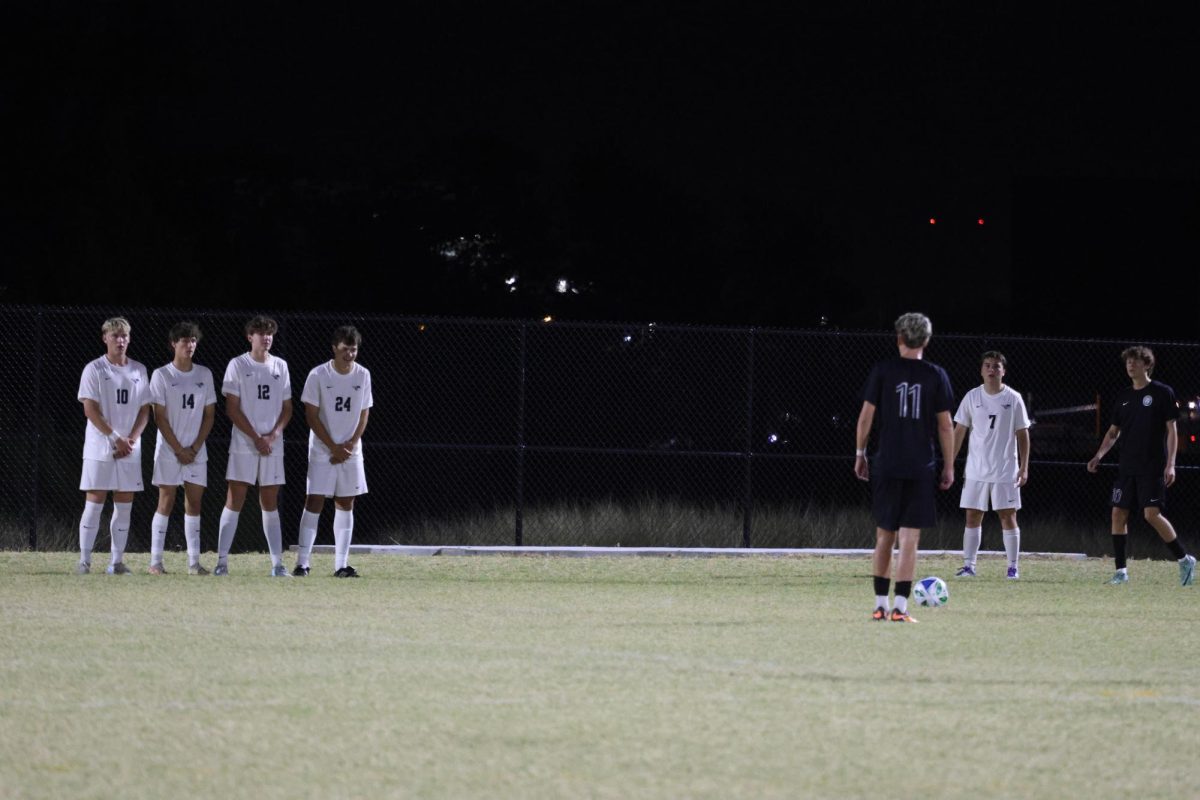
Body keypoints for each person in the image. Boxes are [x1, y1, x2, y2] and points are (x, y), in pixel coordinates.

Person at [854, 312, 955, 623]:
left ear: (899, 338)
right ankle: (900, 607)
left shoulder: (883, 370)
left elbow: (866, 417)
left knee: (885, 535)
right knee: (910, 539)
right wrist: (949, 465)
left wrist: (860, 452)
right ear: (926, 340)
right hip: (920, 465)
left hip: (887, 462)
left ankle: (879, 604)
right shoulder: (936, 374)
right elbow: (946, 426)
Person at [1087, 346, 1195, 586]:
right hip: (1127, 467)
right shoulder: (1124, 397)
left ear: (1147, 365)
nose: (1130, 365)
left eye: (1135, 361)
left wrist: (1171, 464)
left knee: (1151, 515)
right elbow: (1113, 431)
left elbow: (1172, 430)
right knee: (1118, 513)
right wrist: (1099, 455)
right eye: (1128, 362)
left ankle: (1184, 559)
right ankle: (1121, 572)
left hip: (1152, 466)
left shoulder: (1162, 392)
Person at [294, 326, 374, 577]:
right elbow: (311, 415)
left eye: (354, 349)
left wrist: (350, 444)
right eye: (345, 349)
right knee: (314, 501)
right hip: (322, 450)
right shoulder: (318, 374)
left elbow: (364, 413)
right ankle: (302, 563)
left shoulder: (363, 375)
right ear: (334, 349)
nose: (349, 354)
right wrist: (332, 446)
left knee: (346, 502)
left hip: (351, 451)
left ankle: (341, 565)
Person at [216, 316, 293, 577]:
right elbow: (231, 408)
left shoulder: (280, 366)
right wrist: (255, 437)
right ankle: (222, 562)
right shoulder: (237, 364)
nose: (266, 337)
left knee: (269, 502)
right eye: (261, 333)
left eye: (270, 333)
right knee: (234, 499)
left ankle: (277, 564)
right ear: (250, 337)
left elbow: (287, 408)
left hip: (272, 445)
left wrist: (272, 436)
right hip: (244, 444)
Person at [76, 317, 151, 574]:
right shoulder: (94, 369)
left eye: (124, 336)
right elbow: (90, 409)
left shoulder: (140, 370)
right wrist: (115, 438)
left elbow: (145, 410)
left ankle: (116, 562)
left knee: (124, 503)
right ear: (104, 338)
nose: (120, 340)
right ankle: (84, 562)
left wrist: (132, 438)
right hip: (100, 446)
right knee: (95, 502)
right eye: (115, 336)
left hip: (129, 448)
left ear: (129, 339)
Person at [951, 352, 1031, 579]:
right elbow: (959, 432)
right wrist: (950, 463)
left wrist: (1024, 467)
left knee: (1007, 515)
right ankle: (969, 566)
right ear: (981, 370)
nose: (991, 370)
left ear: (1003, 371)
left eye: (996, 366)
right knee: (972, 516)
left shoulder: (1013, 398)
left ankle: (1013, 567)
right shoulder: (972, 397)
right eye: (987, 366)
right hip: (976, 470)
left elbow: (1023, 434)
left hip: (1005, 469)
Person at [147, 322, 217, 575]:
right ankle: (156, 562)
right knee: (165, 501)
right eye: (184, 341)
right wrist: (178, 448)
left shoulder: (204, 374)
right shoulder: (162, 375)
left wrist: (195, 447)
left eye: (193, 341)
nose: (189, 345)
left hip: (196, 451)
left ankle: (193, 563)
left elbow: (210, 415)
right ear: (173, 344)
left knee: (194, 504)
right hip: (169, 450)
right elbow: (159, 417)